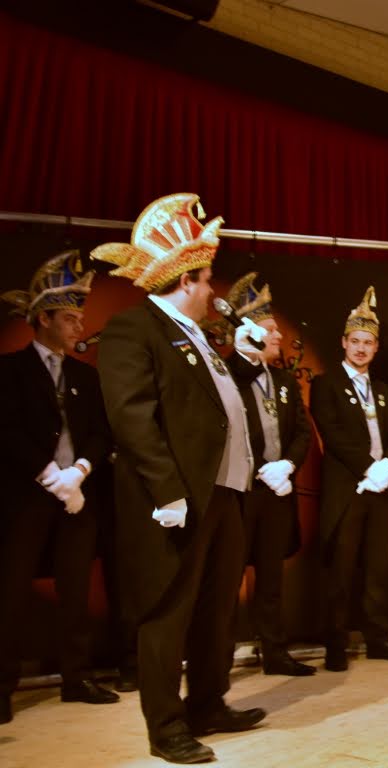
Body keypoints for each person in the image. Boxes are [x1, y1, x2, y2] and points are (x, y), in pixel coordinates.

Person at [94, 193, 266, 765]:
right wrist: (166, 489)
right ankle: (165, 726)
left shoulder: (196, 335)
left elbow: (205, 406)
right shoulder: (133, 328)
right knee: (168, 611)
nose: (214, 291)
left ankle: (209, 703)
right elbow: (131, 417)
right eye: (208, 280)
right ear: (186, 279)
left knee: (217, 608)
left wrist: (242, 360)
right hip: (178, 497)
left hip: (222, 492)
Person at [0, 252, 118, 726]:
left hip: (77, 497)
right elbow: (7, 430)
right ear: (43, 318)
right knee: (10, 591)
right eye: (70, 318)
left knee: (76, 590)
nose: (78, 327)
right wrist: (50, 474)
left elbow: (101, 433)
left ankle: (77, 677)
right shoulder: (9, 370)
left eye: (80, 319)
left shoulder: (86, 376)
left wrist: (79, 473)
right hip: (26, 499)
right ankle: (2, 686)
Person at [216, 274, 314, 676]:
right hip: (239, 494)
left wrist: (287, 465)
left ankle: (275, 652)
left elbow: (302, 432)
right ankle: (218, 660)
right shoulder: (226, 373)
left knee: (271, 578)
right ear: (250, 333)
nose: (279, 336)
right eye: (271, 330)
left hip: (277, 491)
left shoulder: (284, 380)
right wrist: (243, 354)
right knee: (227, 580)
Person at [310, 287, 388, 671]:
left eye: (368, 343)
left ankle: (377, 638)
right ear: (343, 343)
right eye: (355, 341)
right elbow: (332, 433)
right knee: (341, 569)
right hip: (348, 490)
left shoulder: (383, 390)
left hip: (383, 490)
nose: (361, 349)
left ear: (376, 347)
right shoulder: (326, 384)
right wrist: (369, 467)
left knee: (378, 568)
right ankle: (336, 644)